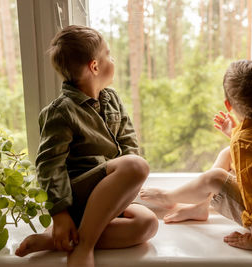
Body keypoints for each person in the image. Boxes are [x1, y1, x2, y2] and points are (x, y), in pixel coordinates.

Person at [15, 25, 158, 267]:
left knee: (147, 224)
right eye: (109, 55)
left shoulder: (111, 99)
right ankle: (83, 247)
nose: (113, 59)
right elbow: (49, 166)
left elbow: (129, 143)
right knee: (136, 166)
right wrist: (60, 215)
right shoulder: (61, 111)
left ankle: (56, 241)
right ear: (95, 66)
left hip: (105, 200)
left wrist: (124, 191)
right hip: (78, 197)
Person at [140, 60, 252, 250]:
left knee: (215, 178)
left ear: (228, 104)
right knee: (228, 152)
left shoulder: (244, 144)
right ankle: (201, 207)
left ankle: (169, 197)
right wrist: (234, 132)